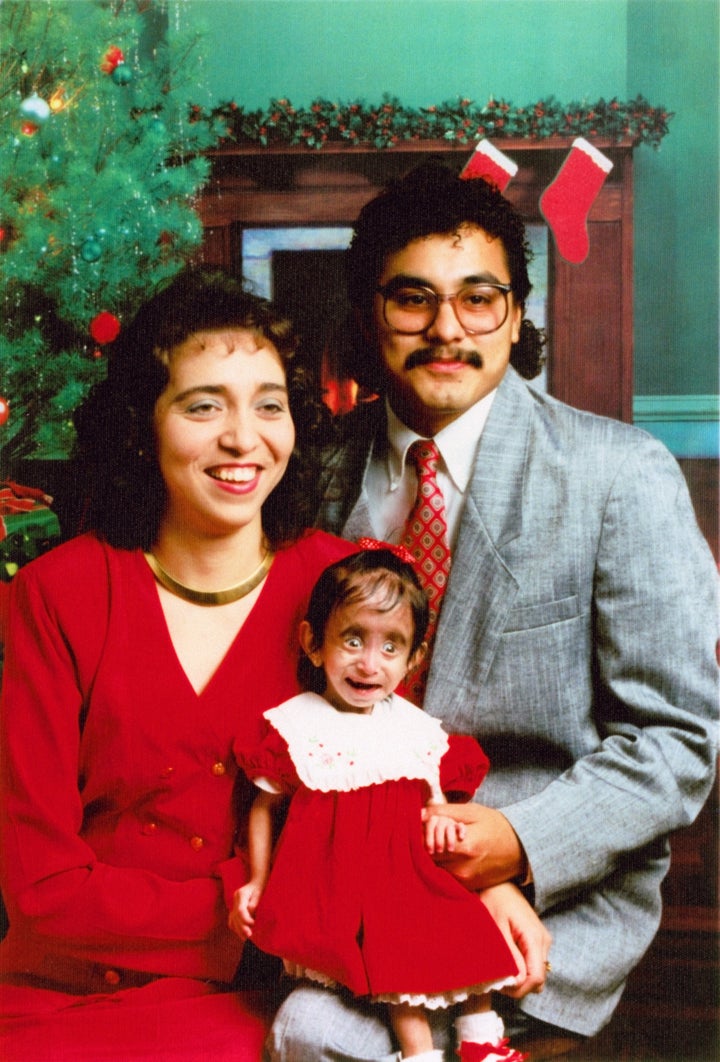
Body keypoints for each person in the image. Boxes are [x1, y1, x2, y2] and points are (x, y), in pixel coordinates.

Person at [266, 162, 720, 1060]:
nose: (447, 330)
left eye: (480, 299)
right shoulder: (309, 472)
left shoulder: (616, 475)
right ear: (369, 316)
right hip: (342, 885)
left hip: (546, 908)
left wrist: (520, 840)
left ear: (516, 315)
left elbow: (678, 741)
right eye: (412, 300)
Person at [0, 269, 359, 1060]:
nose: (243, 438)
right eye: (203, 406)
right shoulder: (56, 595)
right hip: (54, 997)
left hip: (272, 998)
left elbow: (374, 826)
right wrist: (239, 905)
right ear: (143, 425)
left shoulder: (346, 593)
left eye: (268, 405)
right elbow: (37, 888)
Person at [231, 547, 533, 1062]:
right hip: (344, 885)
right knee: (394, 966)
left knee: (468, 929)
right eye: (352, 640)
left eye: (391, 647)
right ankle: (419, 1056)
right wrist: (257, 880)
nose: (369, 664)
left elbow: (437, 799)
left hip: (409, 873)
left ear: (414, 658)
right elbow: (264, 807)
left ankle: (481, 1035)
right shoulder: (299, 725)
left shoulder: (411, 727)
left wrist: (439, 819)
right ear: (313, 643)